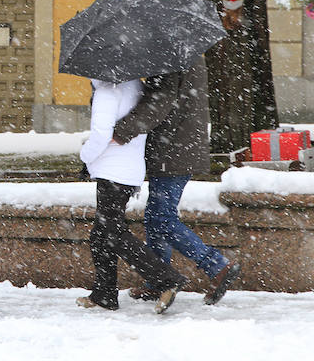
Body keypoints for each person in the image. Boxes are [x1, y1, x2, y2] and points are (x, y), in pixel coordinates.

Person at [112, 56, 241, 305]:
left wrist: (121, 130)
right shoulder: (183, 52)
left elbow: (158, 104)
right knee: (155, 217)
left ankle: (217, 266)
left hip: (172, 150)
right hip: (178, 147)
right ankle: (158, 281)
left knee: (161, 219)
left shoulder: (170, 58)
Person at [76, 78, 187, 314]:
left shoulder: (107, 91)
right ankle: (104, 293)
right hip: (129, 170)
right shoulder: (135, 85)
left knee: (112, 233)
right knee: (101, 234)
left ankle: (167, 279)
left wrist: (84, 156)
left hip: (112, 171)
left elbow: (100, 134)